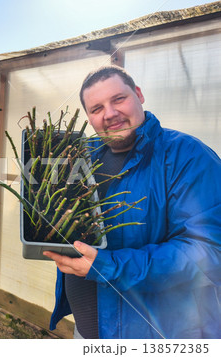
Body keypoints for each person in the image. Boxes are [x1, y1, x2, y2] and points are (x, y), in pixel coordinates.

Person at [43, 65, 221, 339]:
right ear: (89, 117)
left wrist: (110, 264)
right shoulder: (82, 156)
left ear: (138, 94)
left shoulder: (188, 156)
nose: (110, 114)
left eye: (118, 99)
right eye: (97, 108)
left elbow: (208, 253)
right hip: (86, 331)